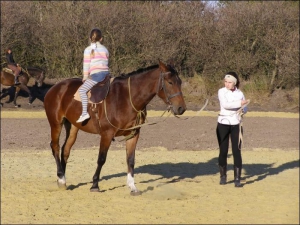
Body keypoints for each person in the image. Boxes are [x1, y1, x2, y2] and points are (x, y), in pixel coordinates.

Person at [216, 71, 249, 187]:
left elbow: (245, 109)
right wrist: (240, 103)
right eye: (225, 81)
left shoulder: (240, 93)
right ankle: (223, 176)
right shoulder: (221, 91)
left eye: (229, 82)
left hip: (236, 124)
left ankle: (237, 179)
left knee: (237, 151)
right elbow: (225, 105)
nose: (227, 84)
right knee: (223, 151)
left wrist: (243, 109)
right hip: (223, 124)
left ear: (234, 83)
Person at [76, 28, 110, 123]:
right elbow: (106, 62)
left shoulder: (88, 50)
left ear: (90, 38)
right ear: (101, 39)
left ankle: (84, 113)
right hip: (106, 74)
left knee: (82, 90)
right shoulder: (105, 49)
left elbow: (86, 65)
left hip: (96, 75)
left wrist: (85, 77)